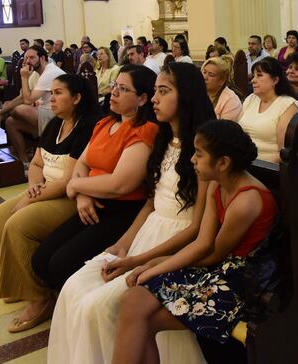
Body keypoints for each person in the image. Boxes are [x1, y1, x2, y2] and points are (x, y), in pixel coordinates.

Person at [47, 62, 215, 364]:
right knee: (73, 288)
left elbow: (197, 228)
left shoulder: (203, 149)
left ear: (187, 96)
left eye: (163, 92)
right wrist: (122, 245)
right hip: (145, 233)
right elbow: (151, 204)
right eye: (155, 92)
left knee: (95, 306)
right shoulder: (164, 139)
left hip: (177, 245)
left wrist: (136, 261)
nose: (154, 100)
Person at [111, 120, 278, 363]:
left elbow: (215, 254)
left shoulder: (247, 201)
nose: (192, 160)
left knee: (142, 320)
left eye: (199, 154)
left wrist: (157, 266)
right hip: (213, 265)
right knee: (132, 301)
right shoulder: (215, 184)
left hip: (238, 278)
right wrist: (152, 263)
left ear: (223, 163)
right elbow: (203, 242)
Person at [31, 65, 159, 301]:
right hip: (91, 202)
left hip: (121, 210)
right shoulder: (105, 123)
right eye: (114, 87)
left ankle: (79, 309)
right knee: (40, 259)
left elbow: (119, 184)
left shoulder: (144, 130)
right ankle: (62, 304)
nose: (114, 93)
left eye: (123, 89)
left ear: (142, 98)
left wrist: (76, 186)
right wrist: (82, 195)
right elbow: (82, 164)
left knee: (60, 264)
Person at [0, 74, 99, 332]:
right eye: (52, 92)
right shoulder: (54, 124)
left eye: (58, 93)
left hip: (68, 196)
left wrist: (29, 200)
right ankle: (15, 283)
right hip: (45, 189)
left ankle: (41, 298)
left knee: (18, 224)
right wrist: (32, 189)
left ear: (77, 98)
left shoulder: (87, 127)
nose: (52, 98)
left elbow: (68, 179)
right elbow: (37, 163)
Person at [3, 46, 66, 165]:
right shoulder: (37, 72)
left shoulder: (49, 72)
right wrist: (3, 110)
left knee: (20, 109)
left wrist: (24, 77)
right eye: (26, 58)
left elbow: (27, 100)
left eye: (32, 58)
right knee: (10, 122)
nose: (27, 61)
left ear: (42, 58)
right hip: (44, 112)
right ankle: (25, 163)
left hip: (57, 116)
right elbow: (23, 96)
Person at [238, 57, 298, 162]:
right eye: (253, 76)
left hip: (270, 168)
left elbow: (284, 153)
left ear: (275, 80)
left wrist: (257, 166)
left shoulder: (287, 105)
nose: (253, 80)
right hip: (245, 162)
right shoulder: (251, 99)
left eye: (259, 75)